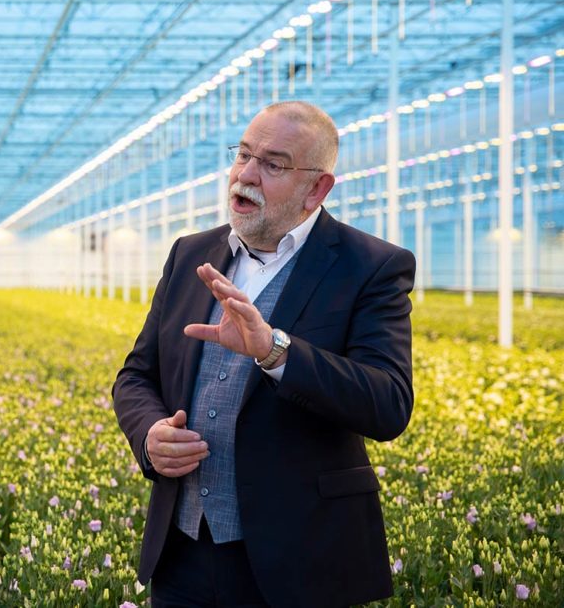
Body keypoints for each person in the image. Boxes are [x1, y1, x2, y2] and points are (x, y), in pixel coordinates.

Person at [112, 101, 415, 608]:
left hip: (300, 562)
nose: (246, 175)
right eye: (244, 154)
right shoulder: (192, 252)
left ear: (317, 188)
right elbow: (137, 375)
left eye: (273, 164)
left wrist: (276, 351)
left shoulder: (371, 266)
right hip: (182, 554)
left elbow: (387, 404)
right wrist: (150, 437)